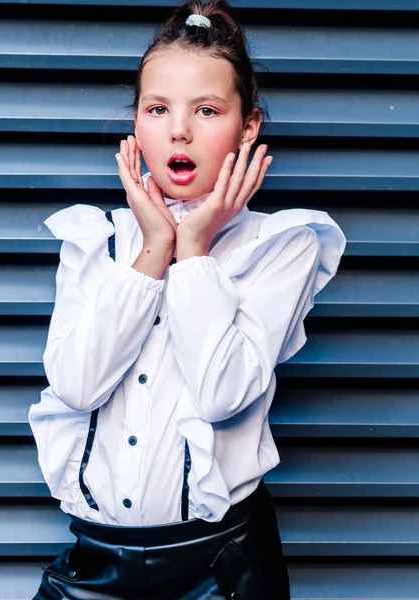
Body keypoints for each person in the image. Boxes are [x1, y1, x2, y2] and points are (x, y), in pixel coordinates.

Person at [29, 0, 346, 598]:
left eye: (206, 110)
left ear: (248, 126)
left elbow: (224, 394)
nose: (179, 130)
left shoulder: (283, 244)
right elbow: (75, 385)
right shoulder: (94, 238)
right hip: (96, 558)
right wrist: (154, 248)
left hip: (222, 562)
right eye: (158, 109)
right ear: (136, 122)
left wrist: (194, 247)